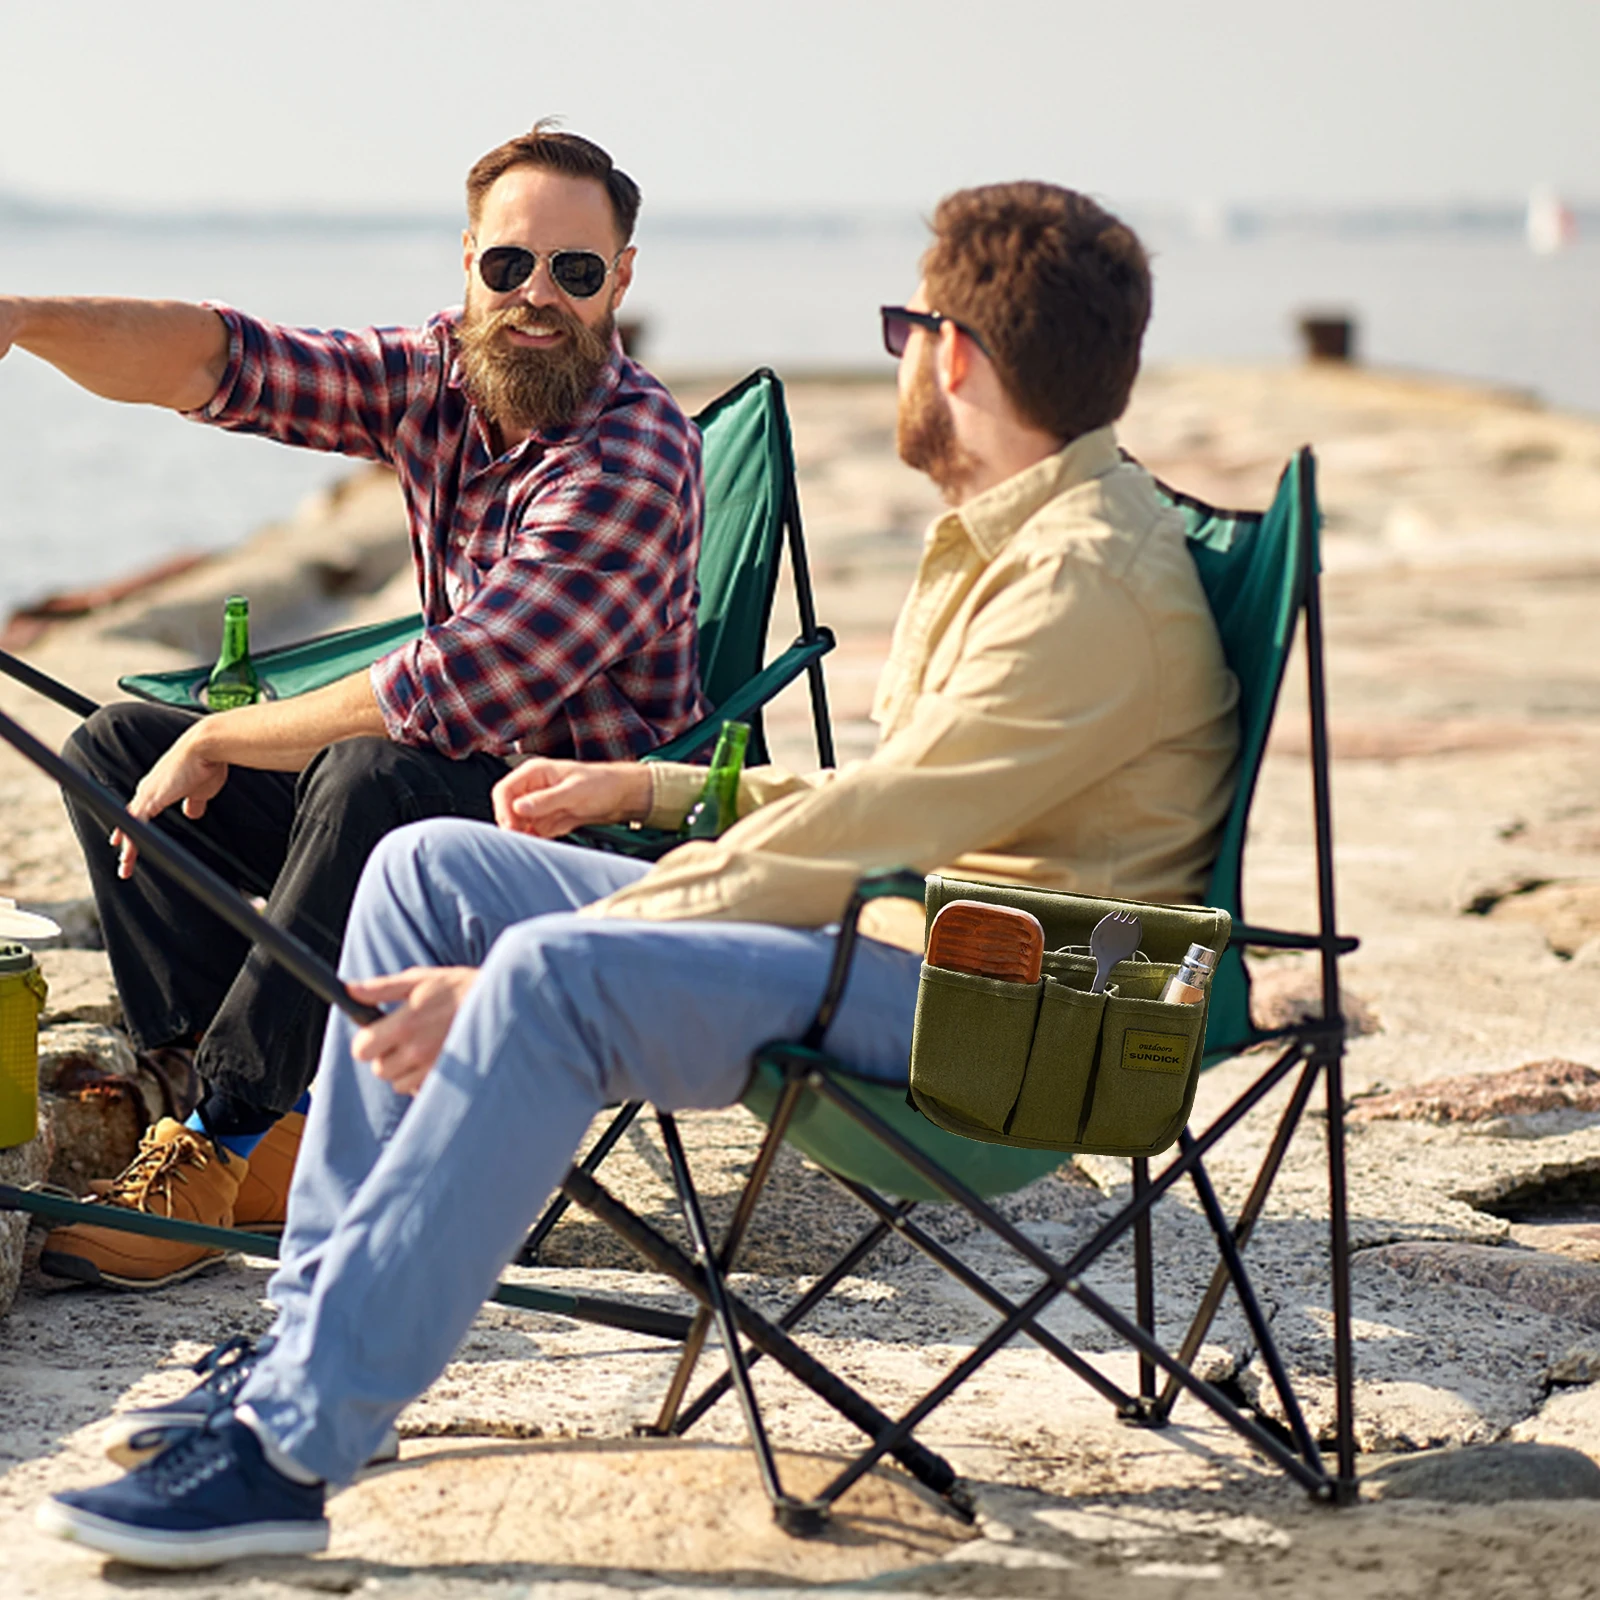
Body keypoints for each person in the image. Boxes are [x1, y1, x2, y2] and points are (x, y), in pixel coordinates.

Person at [37, 181, 1240, 1567]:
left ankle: (292, 1447)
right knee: (429, 869)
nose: (907, 354)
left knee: (539, 974)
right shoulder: (1020, 535)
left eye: (909, 328)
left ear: (952, 355)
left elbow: (872, 831)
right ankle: (310, 1344)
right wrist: (656, 788)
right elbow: (896, 792)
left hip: (994, 1003)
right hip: (912, 936)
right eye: (507, 261)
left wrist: (544, 963)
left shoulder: (1074, 582)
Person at [0, 124, 708, 1287]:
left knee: (367, 770)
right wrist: (27, 320)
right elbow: (223, 361)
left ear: (620, 279)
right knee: (117, 745)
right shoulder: (437, 375)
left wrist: (225, 730)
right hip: (439, 810)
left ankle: (221, 1131)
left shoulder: (633, 457)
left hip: (577, 847)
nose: (537, 297)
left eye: (575, 272)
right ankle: (233, 1131)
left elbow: (458, 687)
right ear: (468, 262)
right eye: (508, 266)